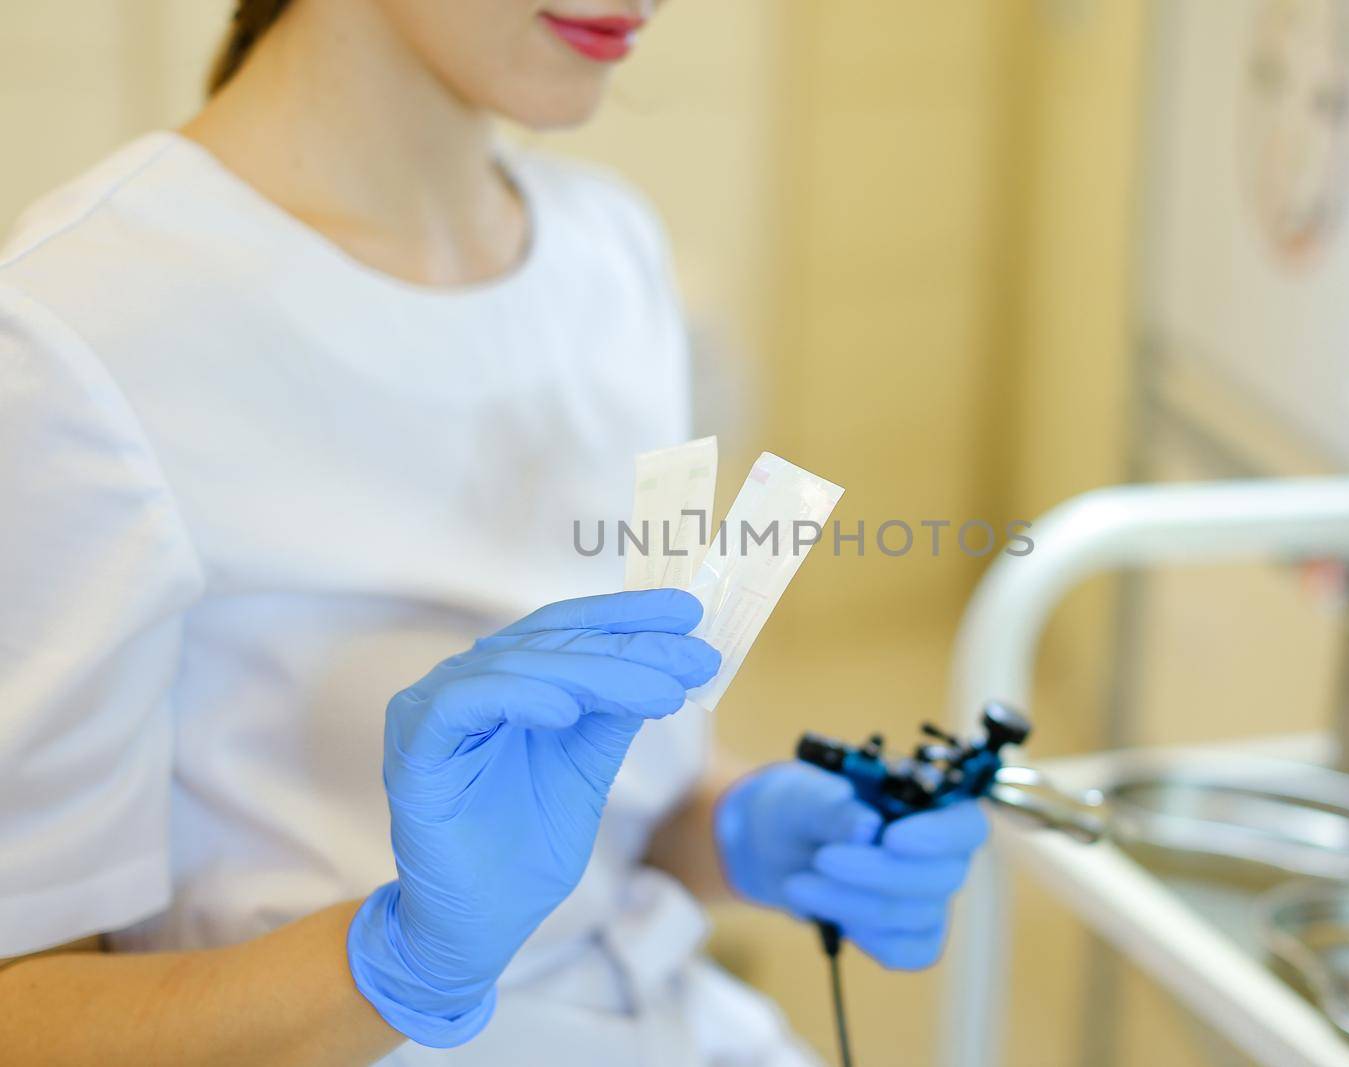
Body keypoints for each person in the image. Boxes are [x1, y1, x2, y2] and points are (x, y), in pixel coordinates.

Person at [0, 1, 989, 1064]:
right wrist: (394, 964)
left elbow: (596, 811)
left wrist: (742, 827)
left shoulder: (609, 251)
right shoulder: (71, 332)